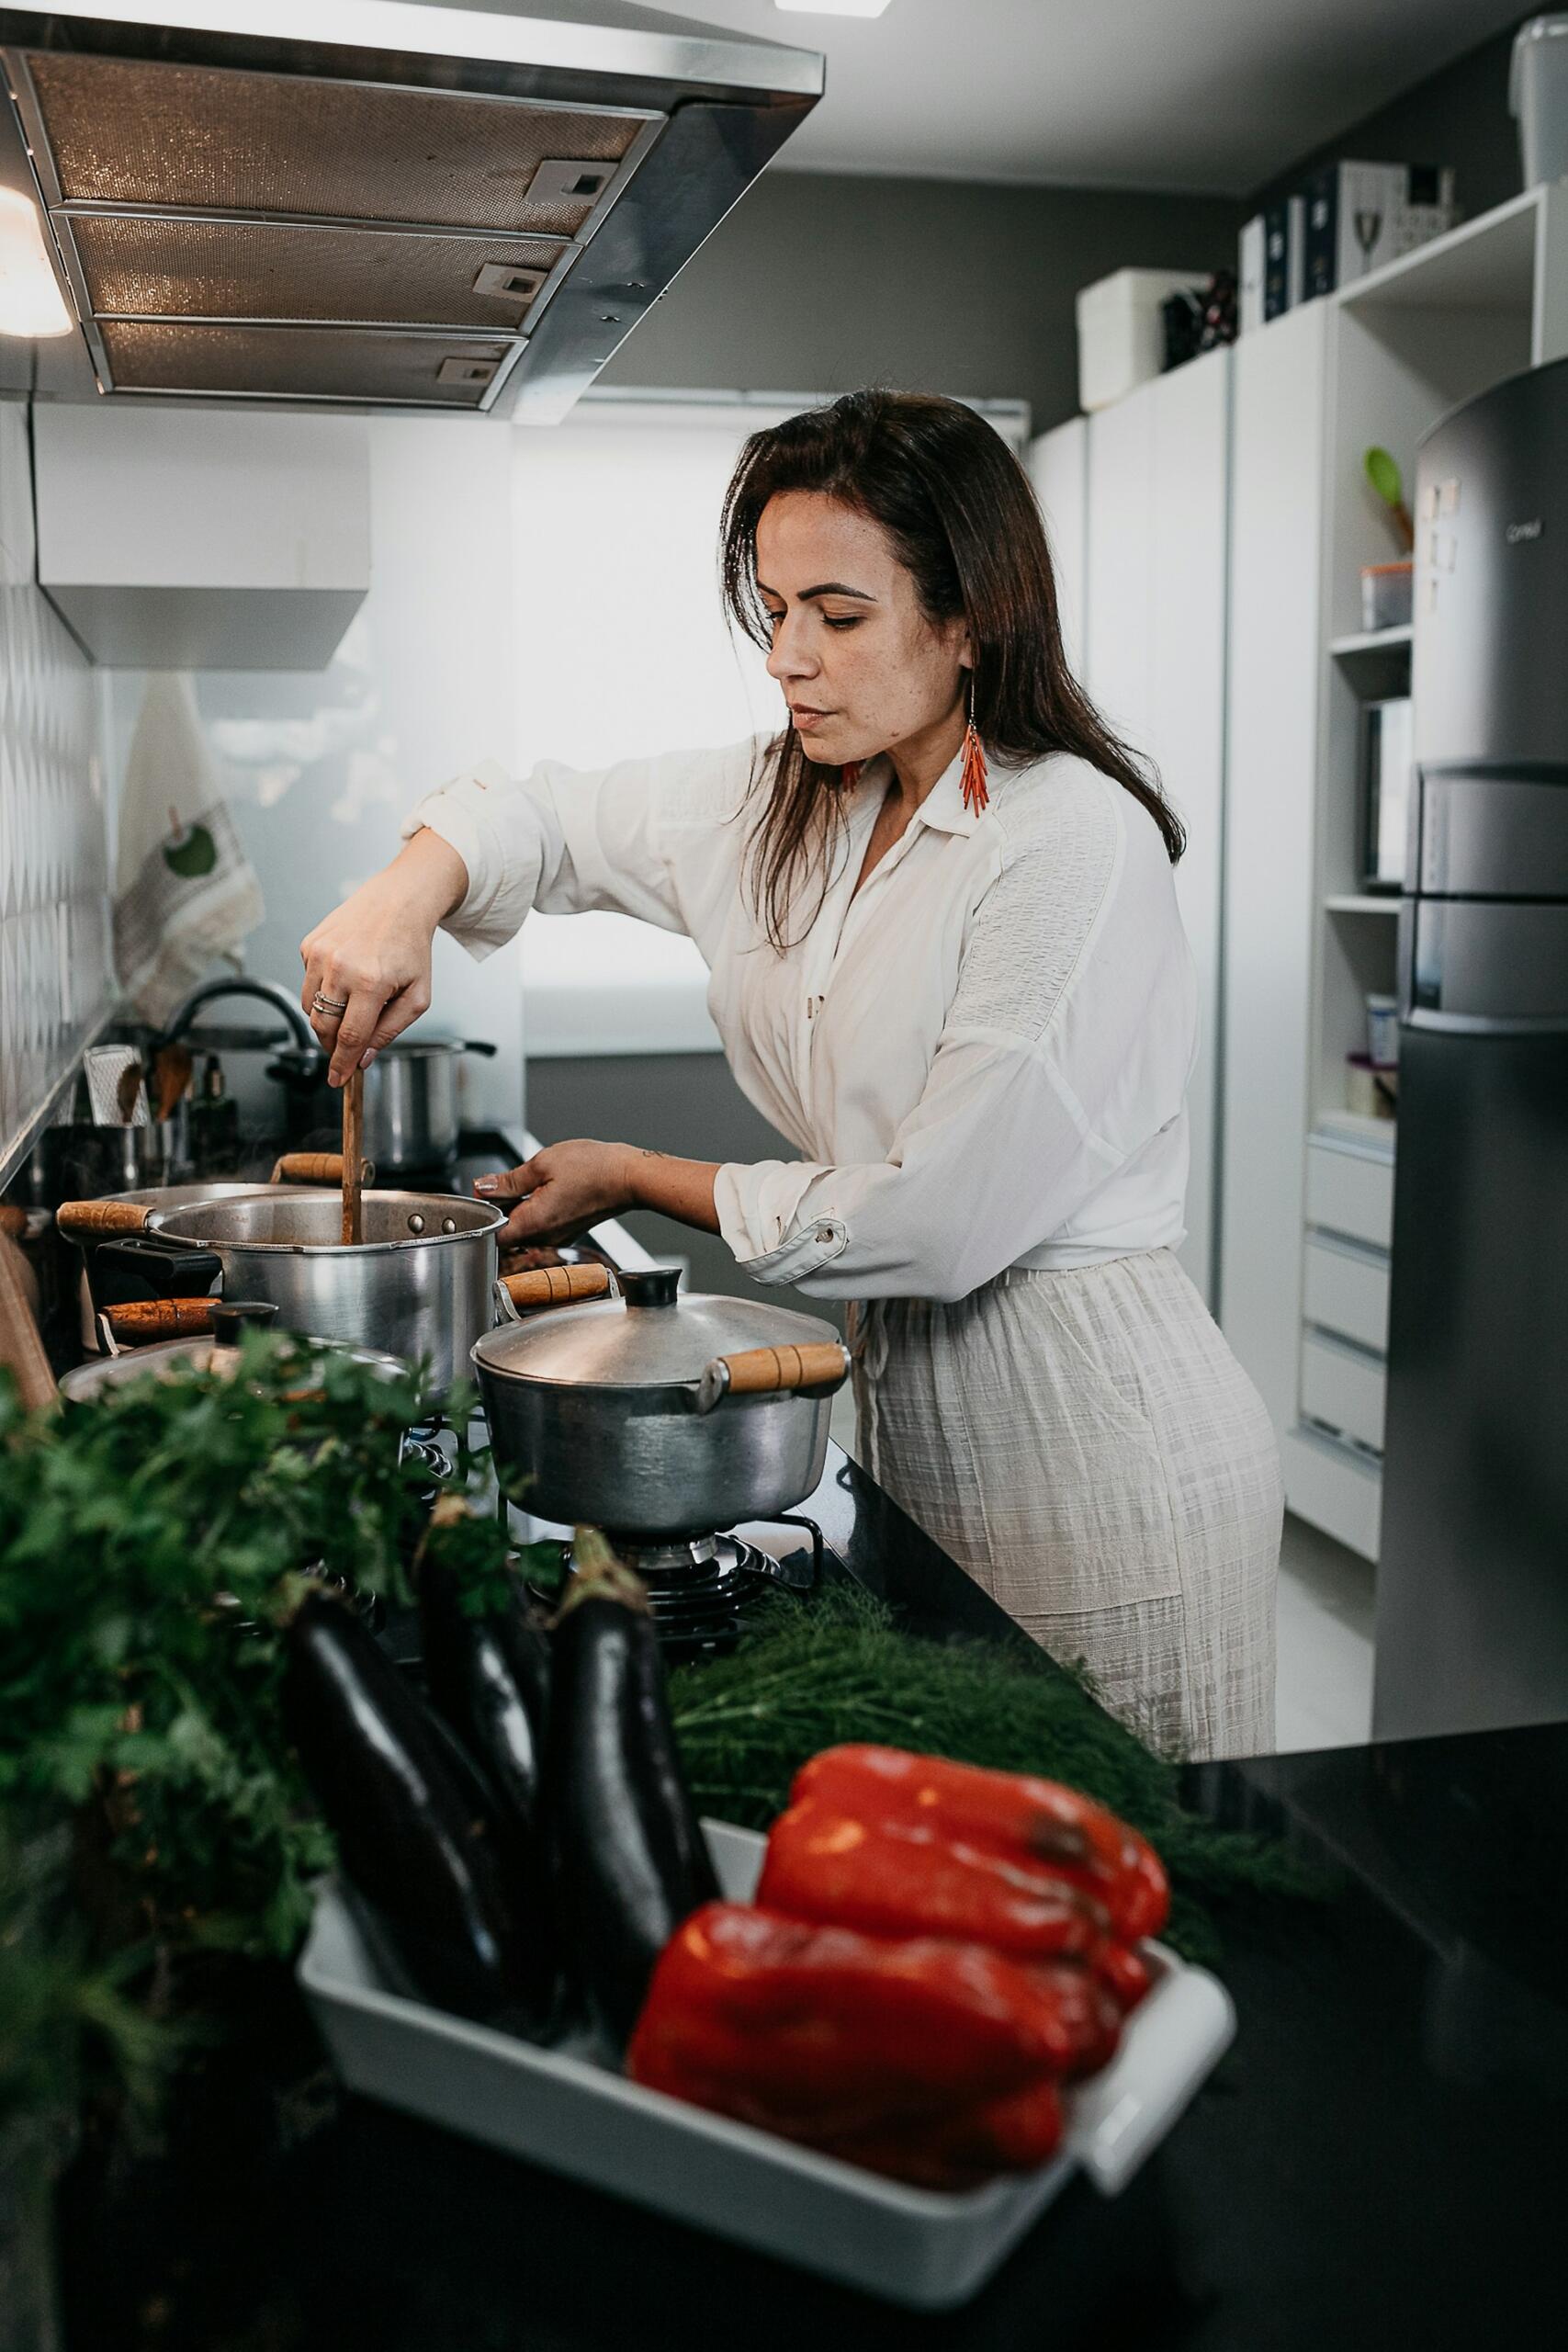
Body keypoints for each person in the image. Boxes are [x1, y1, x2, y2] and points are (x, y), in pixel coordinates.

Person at [301, 390, 1280, 1761]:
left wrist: (636, 1172)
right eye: (772, 611)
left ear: (968, 617)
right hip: (923, 1435)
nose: (786, 658)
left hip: (1098, 1446)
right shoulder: (799, 797)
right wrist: (404, 896)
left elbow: (933, 1223)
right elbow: (545, 816)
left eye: (838, 614)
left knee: (1119, 1880)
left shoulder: (1068, 843)